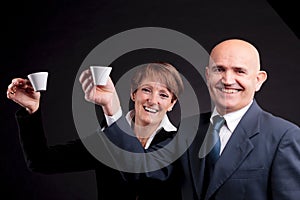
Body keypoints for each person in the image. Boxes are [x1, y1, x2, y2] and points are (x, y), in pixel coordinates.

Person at [102, 38, 300, 200]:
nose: (228, 80)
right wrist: (112, 108)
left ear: (258, 80)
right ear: (207, 75)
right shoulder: (189, 129)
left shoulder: (284, 137)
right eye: (219, 69)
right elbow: (144, 172)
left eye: (239, 71)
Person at [6, 62, 185, 200]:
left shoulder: (181, 143)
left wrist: (113, 111)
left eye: (163, 95)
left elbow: (143, 172)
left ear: (172, 104)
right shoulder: (107, 139)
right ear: (133, 93)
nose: (153, 100)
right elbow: (41, 161)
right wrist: (32, 110)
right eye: (146, 90)